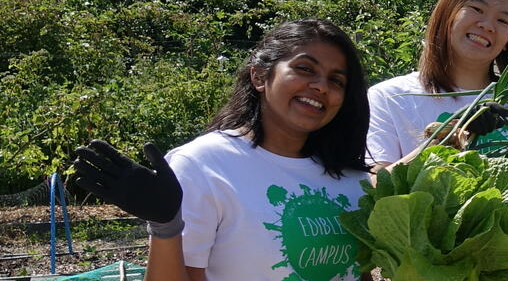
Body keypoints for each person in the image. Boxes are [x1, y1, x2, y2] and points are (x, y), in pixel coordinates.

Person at [73, 18, 373, 281]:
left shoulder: (350, 180)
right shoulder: (204, 165)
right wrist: (166, 226)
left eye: (337, 80)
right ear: (259, 76)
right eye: (305, 69)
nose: (321, 86)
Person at [364, 0, 508, 181]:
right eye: (477, 8)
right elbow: (372, 188)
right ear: (448, 14)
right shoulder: (390, 98)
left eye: (503, 21)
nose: (487, 25)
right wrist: (450, 138)